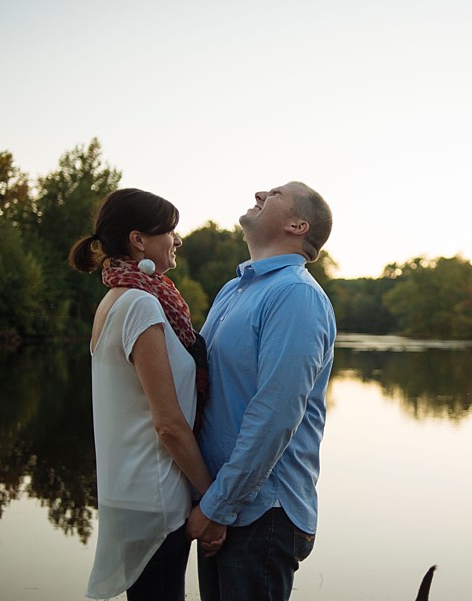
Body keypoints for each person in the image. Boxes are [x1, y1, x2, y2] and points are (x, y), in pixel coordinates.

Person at [68, 188, 225, 601]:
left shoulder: (114, 299)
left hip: (131, 491)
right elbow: (169, 424)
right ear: (139, 240)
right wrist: (214, 500)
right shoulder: (140, 304)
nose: (177, 239)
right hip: (155, 497)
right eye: (169, 230)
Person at [185, 181, 336, 601]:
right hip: (219, 502)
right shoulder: (235, 289)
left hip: (261, 513)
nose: (258, 193)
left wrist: (218, 506)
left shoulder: (296, 296)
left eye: (274, 194)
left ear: (297, 224)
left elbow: (274, 415)